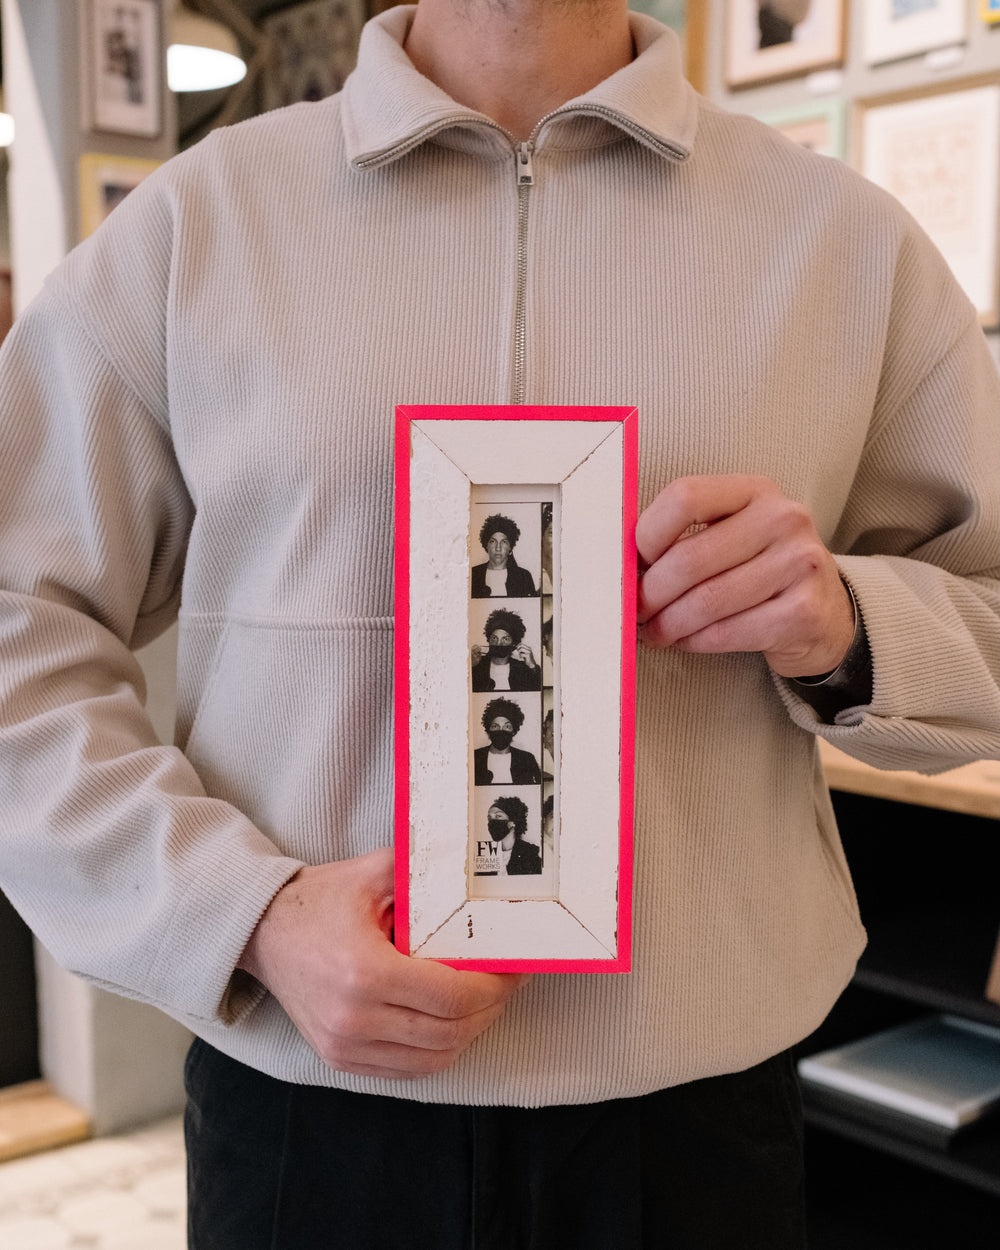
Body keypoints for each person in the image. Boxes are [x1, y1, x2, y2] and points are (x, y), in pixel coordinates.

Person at [0, 2, 995, 1247]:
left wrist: (852, 619)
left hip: (696, 1126)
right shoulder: (194, 224)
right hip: (310, 1113)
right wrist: (235, 910)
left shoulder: (847, 244)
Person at [474, 697, 542, 785]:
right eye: (495, 726)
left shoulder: (526, 759)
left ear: (513, 731)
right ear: (488, 730)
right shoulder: (475, 757)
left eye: (507, 727)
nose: (501, 730)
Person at [471, 608, 542, 692]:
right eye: (494, 638)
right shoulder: (477, 666)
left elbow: (536, 688)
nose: (499, 643)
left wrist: (532, 666)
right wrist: (469, 666)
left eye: (505, 639)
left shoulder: (522, 670)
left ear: (514, 643)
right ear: (488, 640)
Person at [470, 512, 537, 597]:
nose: (498, 548)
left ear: (510, 547)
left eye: (504, 542)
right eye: (493, 541)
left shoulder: (523, 577)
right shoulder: (474, 574)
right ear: (486, 545)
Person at [486, 796, 543, 875]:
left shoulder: (531, 854)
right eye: (489, 818)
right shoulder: (486, 853)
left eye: (498, 816)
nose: (492, 822)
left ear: (513, 822)